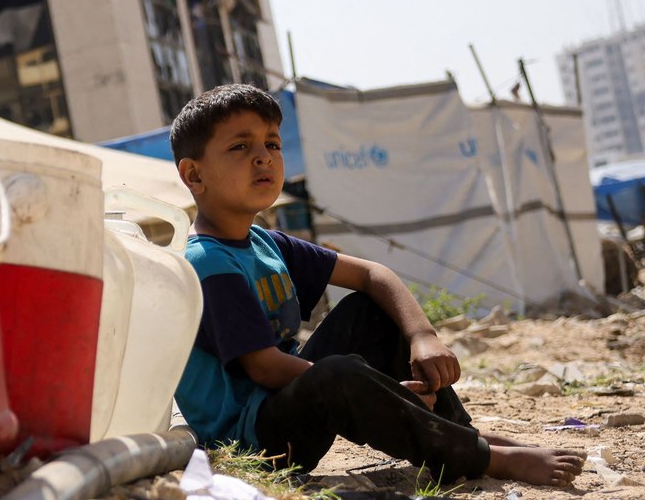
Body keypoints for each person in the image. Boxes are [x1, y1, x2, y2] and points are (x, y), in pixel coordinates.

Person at [171, 84, 586, 486]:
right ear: (194, 174)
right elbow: (264, 366)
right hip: (256, 441)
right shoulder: (208, 262)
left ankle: (459, 433)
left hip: (285, 404)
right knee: (339, 374)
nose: (264, 158)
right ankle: (481, 457)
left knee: (369, 312)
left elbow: (373, 275)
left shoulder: (264, 242)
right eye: (241, 147)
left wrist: (423, 337)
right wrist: (383, 393)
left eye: (273, 144)